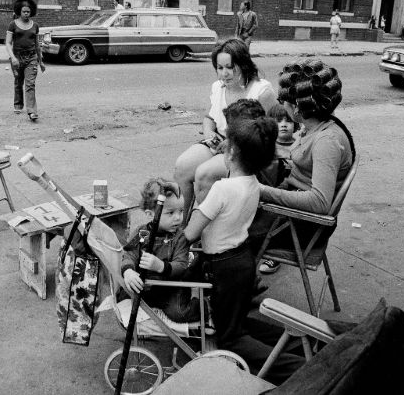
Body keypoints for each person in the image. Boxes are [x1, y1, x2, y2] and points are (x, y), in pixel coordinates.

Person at [183, 115, 305, 385]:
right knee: (239, 324)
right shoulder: (252, 183)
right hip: (243, 260)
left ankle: (298, 368)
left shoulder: (222, 188)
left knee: (231, 338)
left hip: (223, 267)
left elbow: (191, 233)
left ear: (232, 152)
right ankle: (303, 345)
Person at [255, 59, 355, 252]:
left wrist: (264, 192)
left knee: (228, 235)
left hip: (303, 226)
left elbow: (319, 203)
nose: (282, 104)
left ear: (298, 108)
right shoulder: (315, 126)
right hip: (295, 211)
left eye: (285, 101)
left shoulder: (326, 141)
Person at [174, 38, 277, 219]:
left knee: (204, 174)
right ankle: (184, 222)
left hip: (245, 150)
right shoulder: (218, 87)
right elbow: (210, 117)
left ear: (243, 64)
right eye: (220, 68)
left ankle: (206, 229)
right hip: (220, 141)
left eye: (230, 67)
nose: (224, 73)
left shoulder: (262, 90)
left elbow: (269, 130)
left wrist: (234, 141)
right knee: (182, 167)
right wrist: (208, 133)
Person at [121, 178, 200, 323]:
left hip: (170, 289)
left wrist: (160, 266)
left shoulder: (180, 237)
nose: (178, 218)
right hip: (146, 287)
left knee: (179, 314)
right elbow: (129, 253)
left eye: (181, 211)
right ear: (151, 214)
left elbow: (181, 265)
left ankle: (202, 307)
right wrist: (128, 271)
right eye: (170, 213)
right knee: (124, 299)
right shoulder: (142, 233)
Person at [258, 103, 299, 275]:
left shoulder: (298, 146)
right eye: (278, 121)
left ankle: (275, 255)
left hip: (287, 196)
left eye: (288, 121)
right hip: (268, 191)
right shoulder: (267, 146)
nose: (283, 124)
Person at [5, 0, 45, 121]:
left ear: (31, 11)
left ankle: (32, 111)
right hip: (17, 57)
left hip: (31, 58)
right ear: (19, 11)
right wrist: (13, 58)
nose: (26, 14)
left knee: (30, 84)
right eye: (24, 12)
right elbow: (7, 43)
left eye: (28, 12)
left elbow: (37, 45)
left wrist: (41, 61)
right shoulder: (13, 24)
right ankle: (18, 104)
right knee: (18, 82)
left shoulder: (35, 26)